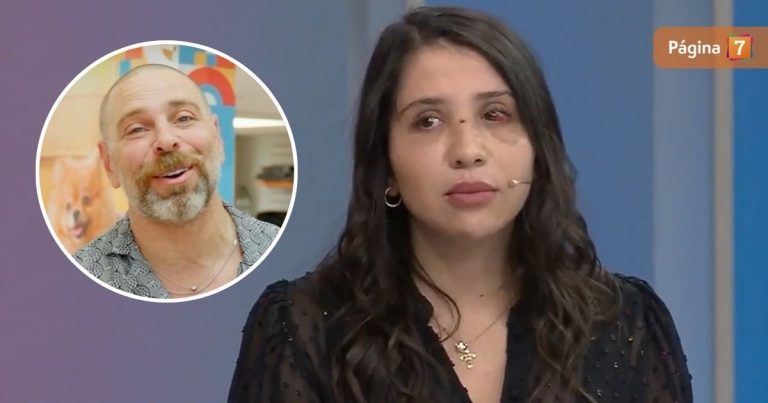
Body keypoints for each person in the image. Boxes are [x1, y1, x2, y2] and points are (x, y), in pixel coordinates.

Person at [228, 7, 692, 403]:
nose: (467, 150)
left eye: (495, 114)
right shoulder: (302, 331)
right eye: (428, 121)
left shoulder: (624, 324)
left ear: (537, 147)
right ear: (386, 165)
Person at [74, 64, 279, 299]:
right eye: (137, 129)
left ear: (217, 138)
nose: (166, 140)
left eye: (184, 118)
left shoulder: (288, 254)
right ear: (109, 163)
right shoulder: (76, 284)